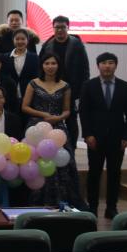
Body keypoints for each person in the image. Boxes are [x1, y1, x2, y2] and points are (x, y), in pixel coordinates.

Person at [80, 52, 127, 219]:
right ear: (98, 66)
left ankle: (111, 207)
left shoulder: (125, 86)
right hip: (95, 138)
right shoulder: (88, 85)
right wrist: (87, 134)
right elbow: (84, 112)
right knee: (94, 173)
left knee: (114, 173)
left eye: (111, 63)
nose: (107, 66)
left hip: (117, 139)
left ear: (116, 66)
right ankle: (92, 207)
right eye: (104, 63)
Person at [22, 52, 81, 208]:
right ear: (42, 65)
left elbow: (67, 110)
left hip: (58, 130)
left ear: (58, 66)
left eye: (53, 63)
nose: (50, 66)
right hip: (37, 129)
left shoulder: (65, 86)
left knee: (63, 165)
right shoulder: (33, 83)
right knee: (37, 164)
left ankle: (61, 202)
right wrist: (43, 115)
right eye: (47, 63)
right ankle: (36, 203)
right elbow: (25, 106)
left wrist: (58, 117)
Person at [40, 15, 90, 148]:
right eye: (57, 27)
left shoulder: (77, 44)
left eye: (63, 27)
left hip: (72, 90)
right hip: (51, 88)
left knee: (71, 120)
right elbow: (40, 67)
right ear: (53, 28)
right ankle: (52, 149)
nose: (60, 30)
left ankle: (72, 148)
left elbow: (85, 69)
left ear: (68, 27)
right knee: (51, 120)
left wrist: (83, 90)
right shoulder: (47, 45)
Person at [7, 28, 40, 98]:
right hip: (10, 94)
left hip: (29, 94)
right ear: (13, 40)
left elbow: (36, 77)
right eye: (17, 39)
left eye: (23, 39)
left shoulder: (35, 57)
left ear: (27, 40)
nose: (20, 41)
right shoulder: (6, 57)